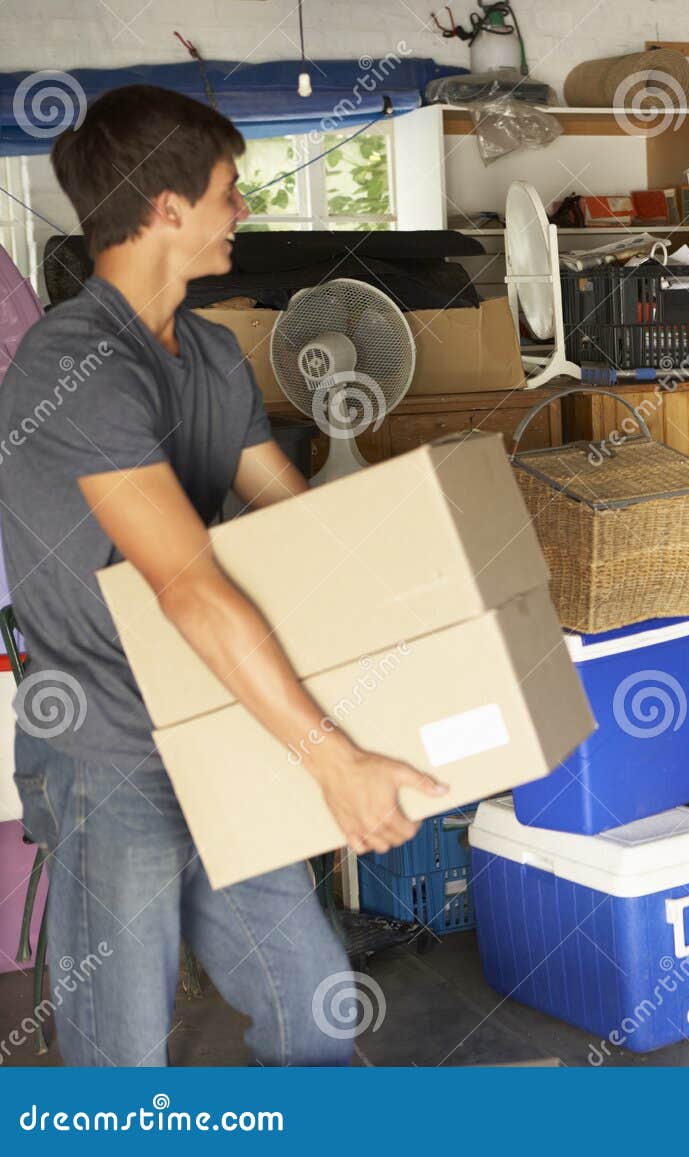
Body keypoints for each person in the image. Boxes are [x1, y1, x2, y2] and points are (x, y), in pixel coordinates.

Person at [0, 85, 446, 1066]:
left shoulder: (208, 353)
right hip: (112, 744)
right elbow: (189, 585)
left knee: (317, 1009)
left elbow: (297, 519)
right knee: (120, 1056)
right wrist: (335, 760)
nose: (242, 209)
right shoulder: (70, 362)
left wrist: (437, 602)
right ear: (166, 208)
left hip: (223, 721)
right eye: (227, 189)